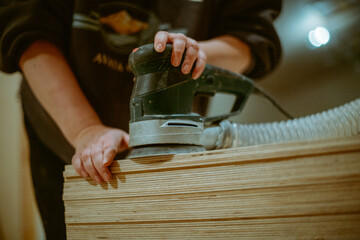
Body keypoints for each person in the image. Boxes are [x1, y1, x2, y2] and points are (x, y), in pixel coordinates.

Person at [0, 0, 282, 239]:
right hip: (64, 131)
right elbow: (24, 26)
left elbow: (252, 36)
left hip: (174, 158)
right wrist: (85, 129)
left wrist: (193, 56)